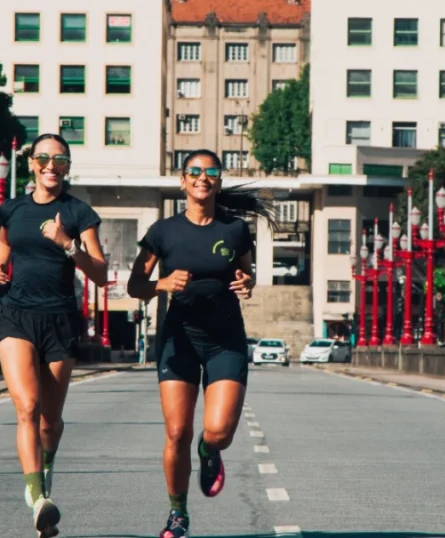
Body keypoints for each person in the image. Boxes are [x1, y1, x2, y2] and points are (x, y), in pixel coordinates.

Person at [126, 149, 275, 538]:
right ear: (183, 181)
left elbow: (246, 273)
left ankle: (210, 454)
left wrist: (248, 283)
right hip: (180, 339)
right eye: (195, 170)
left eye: (211, 171)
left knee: (219, 432)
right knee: (177, 433)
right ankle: (178, 513)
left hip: (225, 339)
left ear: (219, 182)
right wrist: (161, 283)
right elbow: (135, 285)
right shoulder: (163, 232)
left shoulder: (235, 230)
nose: (202, 177)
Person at [0, 133, 106, 538]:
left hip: (59, 322)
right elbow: (4, 244)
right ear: (32, 163)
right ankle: (37, 498)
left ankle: (45, 474)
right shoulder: (12, 209)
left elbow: (101, 274)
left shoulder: (78, 212)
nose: (51, 165)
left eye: (60, 159)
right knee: (28, 407)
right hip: (16, 317)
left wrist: (68, 244)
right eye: (43, 158)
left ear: (68, 166)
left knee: (50, 422)